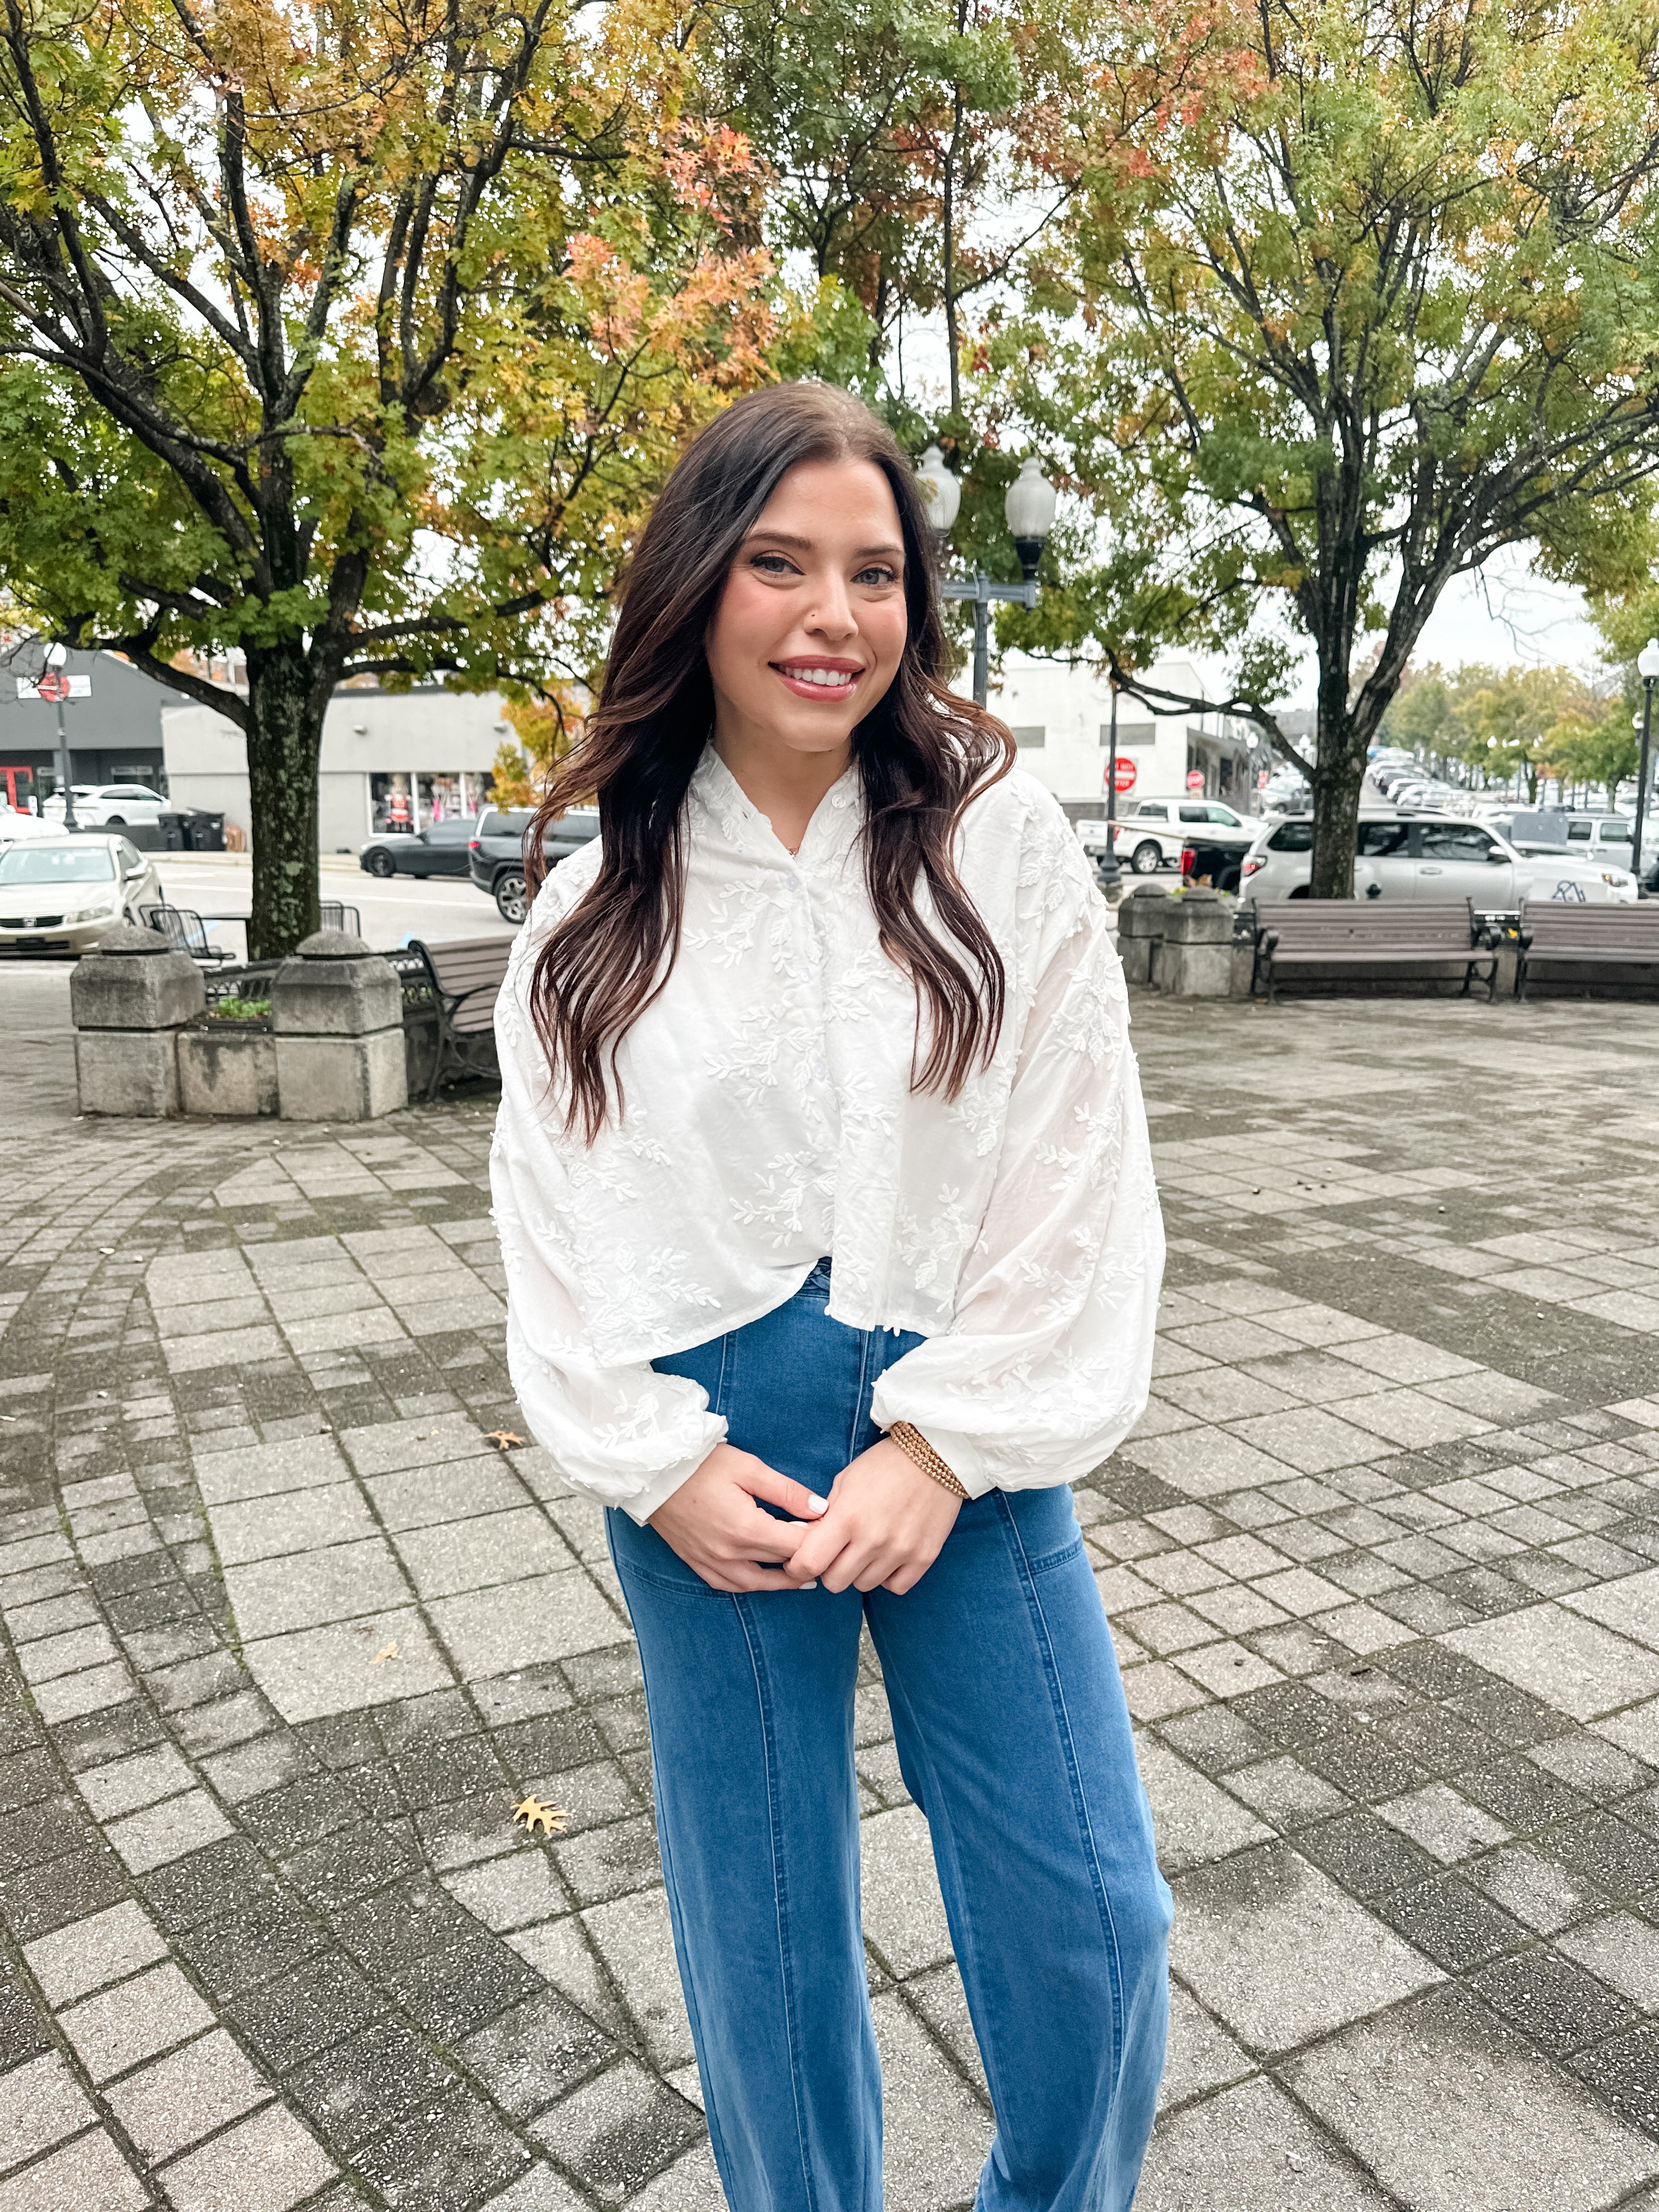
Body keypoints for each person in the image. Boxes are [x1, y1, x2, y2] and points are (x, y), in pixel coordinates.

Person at [491, 381, 1170, 2212]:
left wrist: (949, 1445)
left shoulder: (998, 843)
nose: (832, 615)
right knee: (768, 1953)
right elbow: (552, 1220)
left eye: (875, 572)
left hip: (962, 1437)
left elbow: (1075, 1159)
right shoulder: (593, 915)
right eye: (779, 563)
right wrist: (651, 1463)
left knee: (1091, 1916)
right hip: (713, 1466)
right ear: (700, 588)